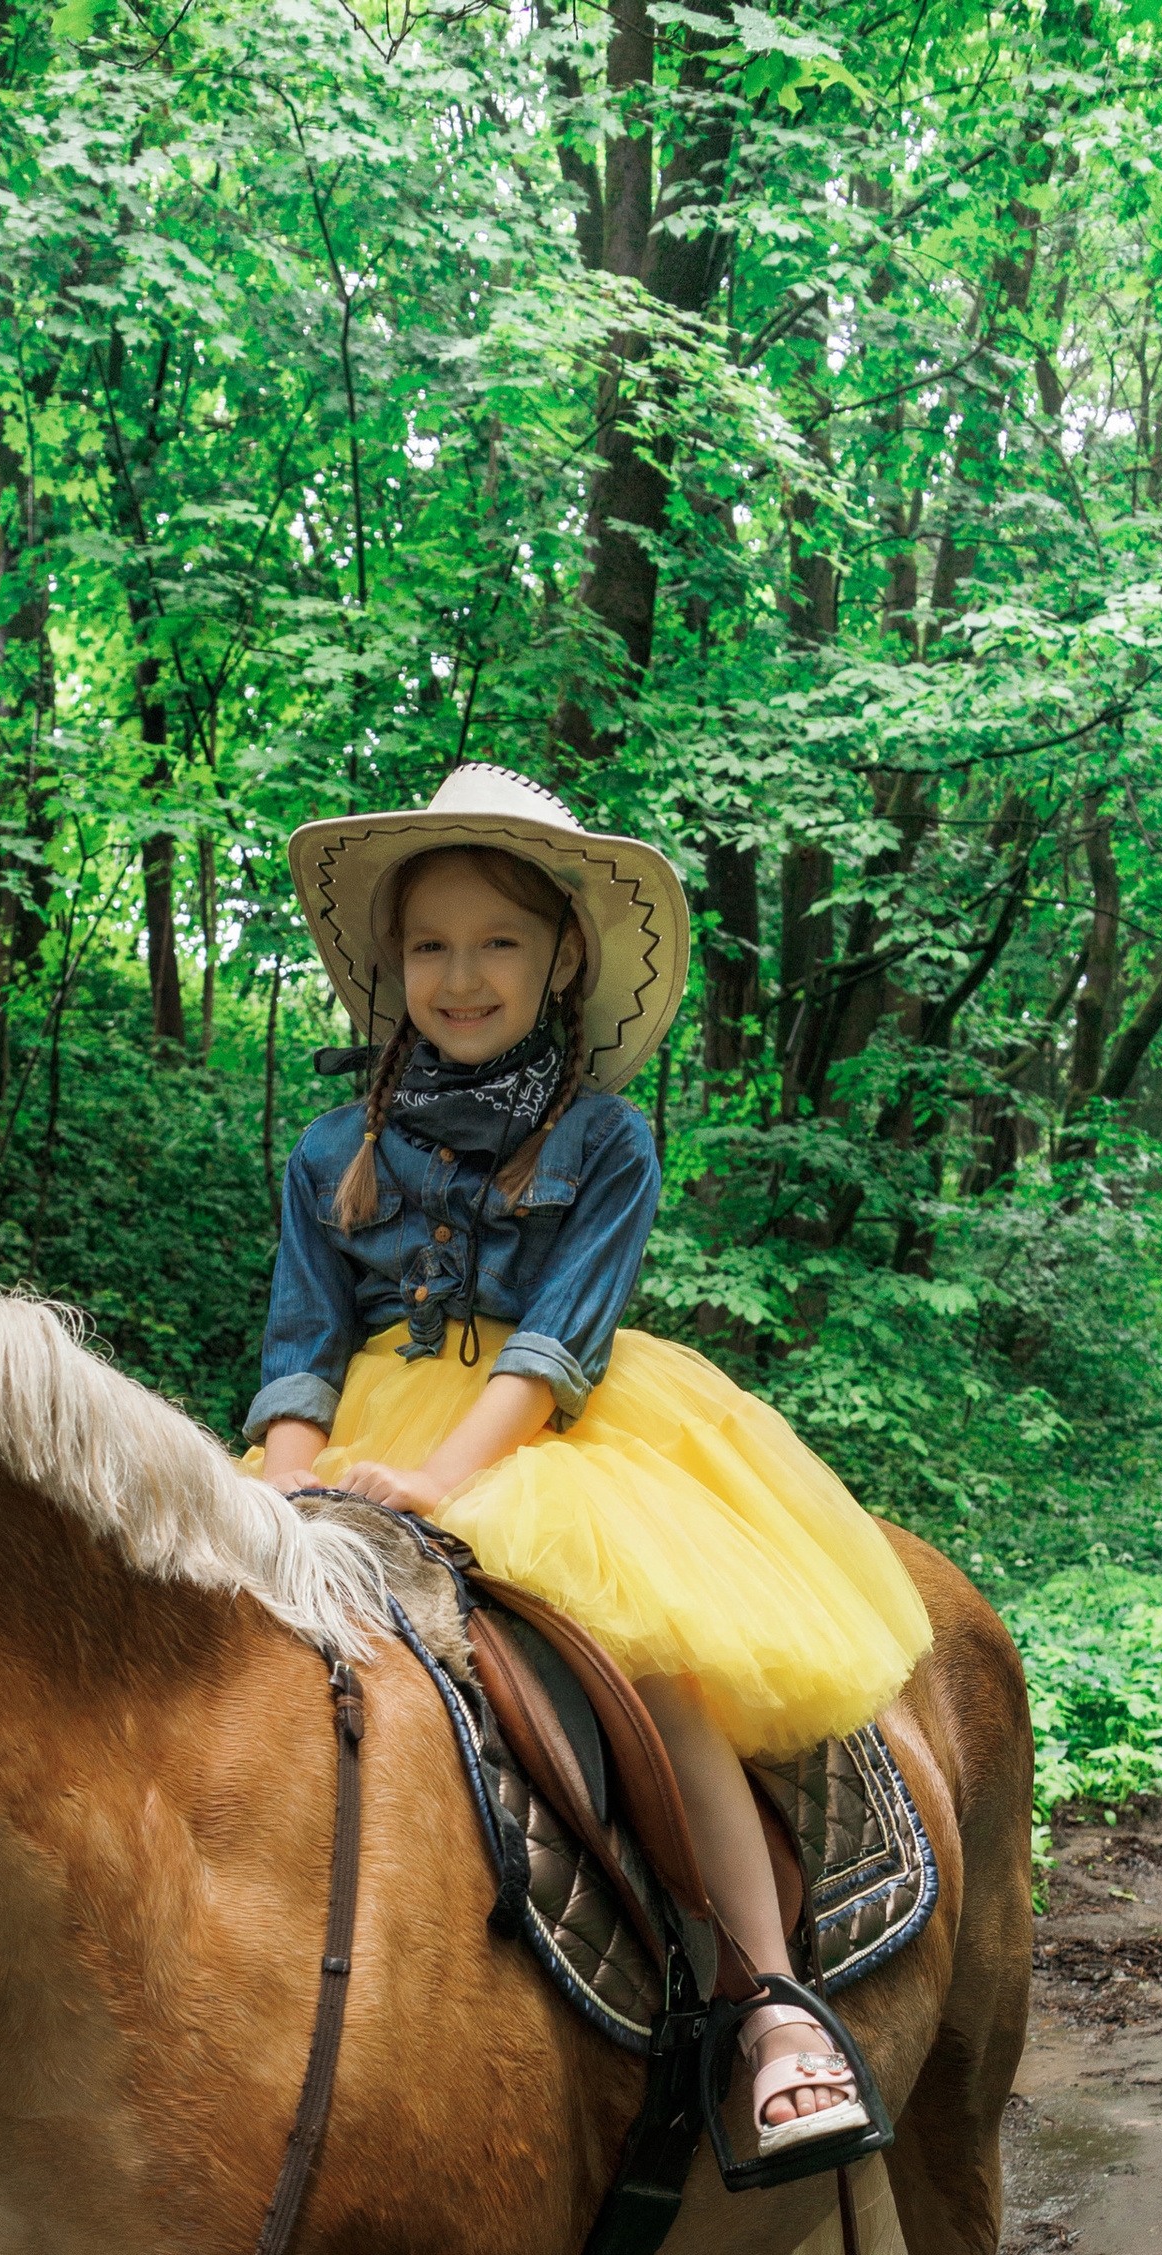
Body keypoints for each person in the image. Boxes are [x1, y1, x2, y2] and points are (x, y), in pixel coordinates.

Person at [250, 763, 933, 2159]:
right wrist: (280, 1480)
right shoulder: (329, 1149)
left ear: (563, 957)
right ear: (392, 963)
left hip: (546, 1432)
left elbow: (558, 1344)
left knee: (653, 1662)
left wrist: (445, 1481)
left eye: (497, 942)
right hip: (364, 1429)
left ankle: (771, 1998)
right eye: (431, 946)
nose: (461, 976)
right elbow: (305, 1344)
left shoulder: (606, 1139)